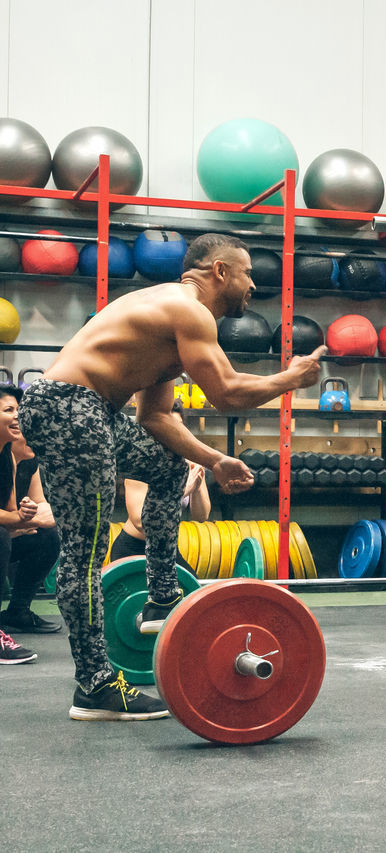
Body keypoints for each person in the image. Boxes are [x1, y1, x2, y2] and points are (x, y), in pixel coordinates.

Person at [19, 233, 325, 721]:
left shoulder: (168, 328)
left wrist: (215, 461)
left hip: (92, 410)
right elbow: (225, 393)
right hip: (68, 408)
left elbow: (155, 420)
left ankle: (161, 597)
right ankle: (94, 687)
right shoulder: (188, 311)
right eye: (247, 273)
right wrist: (291, 378)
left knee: (167, 469)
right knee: (87, 548)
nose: (252, 285)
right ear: (220, 271)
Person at [109, 400, 211, 570]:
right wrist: (183, 490)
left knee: (192, 590)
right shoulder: (140, 464)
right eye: (168, 426)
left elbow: (201, 516)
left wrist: (198, 485)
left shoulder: (189, 463)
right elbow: (140, 522)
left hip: (167, 549)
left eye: (178, 426)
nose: (173, 432)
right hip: (133, 548)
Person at [0, 384, 62, 638]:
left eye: (19, 411)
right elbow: (17, 519)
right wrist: (13, 523)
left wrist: (17, 521)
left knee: (47, 538)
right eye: (9, 410)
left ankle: (18, 612)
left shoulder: (15, 459)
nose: (18, 418)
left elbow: (39, 510)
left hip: (7, 534)